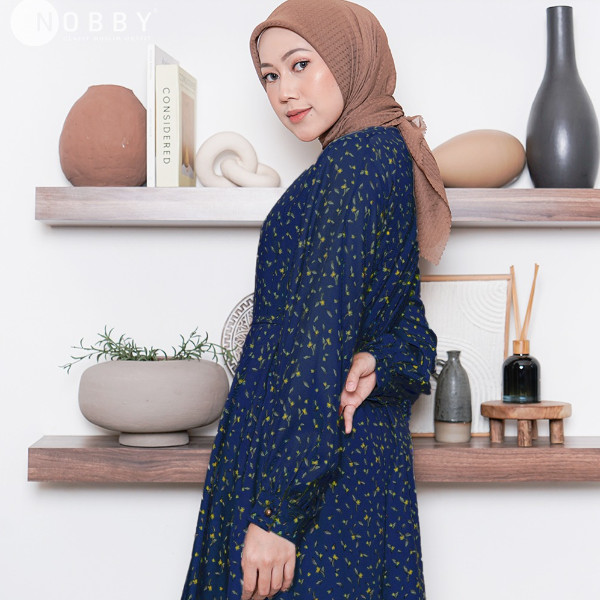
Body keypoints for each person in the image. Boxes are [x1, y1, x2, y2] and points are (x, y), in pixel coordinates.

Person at [181, 1, 451, 598]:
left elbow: (314, 346)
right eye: (269, 75)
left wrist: (279, 514)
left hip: (315, 479)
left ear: (351, 59)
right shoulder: (383, 156)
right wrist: (379, 362)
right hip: (352, 459)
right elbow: (413, 336)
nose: (284, 91)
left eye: (300, 64)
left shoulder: (354, 164)